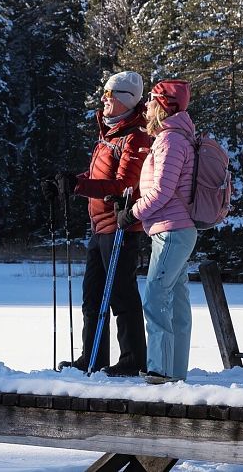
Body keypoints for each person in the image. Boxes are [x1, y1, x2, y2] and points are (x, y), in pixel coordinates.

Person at [45, 71, 152, 376]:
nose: (105, 99)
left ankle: (133, 359)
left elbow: (124, 186)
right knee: (92, 295)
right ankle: (92, 357)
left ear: (127, 100)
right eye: (105, 93)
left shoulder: (136, 136)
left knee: (121, 295)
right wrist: (65, 184)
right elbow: (97, 179)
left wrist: (79, 187)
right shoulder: (110, 135)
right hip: (99, 228)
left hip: (121, 228)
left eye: (111, 94)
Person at [117, 79, 198, 385]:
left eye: (152, 100)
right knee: (176, 300)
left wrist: (131, 214)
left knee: (155, 295)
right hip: (174, 229)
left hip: (172, 230)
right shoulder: (173, 138)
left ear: (163, 106)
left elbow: (162, 192)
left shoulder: (171, 141)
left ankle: (160, 370)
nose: (146, 105)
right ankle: (174, 371)